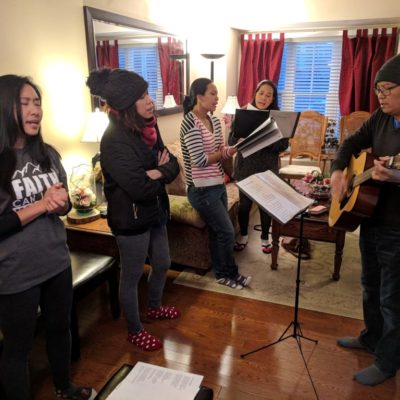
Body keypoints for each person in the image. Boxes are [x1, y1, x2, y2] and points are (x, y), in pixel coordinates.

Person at [0, 75, 95, 399]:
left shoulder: (48, 154)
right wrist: (41, 205)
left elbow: (64, 203)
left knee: (59, 328)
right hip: (16, 273)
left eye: (37, 103)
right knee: (18, 348)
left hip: (56, 261)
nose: (35, 110)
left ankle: (63, 387)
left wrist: (60, 202)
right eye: (25, 103)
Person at [86, 68, 181, 352]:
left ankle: (154, 307)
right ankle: (134, 330)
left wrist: (156, 172)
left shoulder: (148, 127)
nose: (149, 101)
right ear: (127, 103)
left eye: (147, 93)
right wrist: (156, 172)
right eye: (141, 96)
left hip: (156, 210)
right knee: (132, 275)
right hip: (130, 218)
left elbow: (172, 164)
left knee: (162, 263)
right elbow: (139, 188)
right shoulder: (113, 139)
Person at [331, 53, 400, 386]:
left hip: (397, 227)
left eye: (387, 89)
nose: (381, 96)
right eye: (377, 90)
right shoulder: (381, 118)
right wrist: (337, 171)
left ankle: (388, 362)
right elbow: (350, 142)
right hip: (371, 218)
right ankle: (371, 338)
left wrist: (397, 177)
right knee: (369, 285)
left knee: (392, 298)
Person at [180, 77, 251, 289]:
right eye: (212, 93)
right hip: (201, 189)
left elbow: (222, 151)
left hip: (218, 184)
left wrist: (235, 150)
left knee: (217, 231)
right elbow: (200, 160)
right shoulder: (189, 122)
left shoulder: (214, 121)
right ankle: (226, 273)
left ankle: (226, 273)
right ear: (199, 96)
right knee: (227, 231)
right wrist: (225, 153)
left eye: (216, 94)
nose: (217, 98)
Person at [228, 80, 289, 254]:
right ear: (255, 93)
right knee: (244, 206)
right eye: (261, 93)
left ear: (273, 99)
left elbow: (283, 145)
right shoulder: (243, 113)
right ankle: (243, 236)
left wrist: (267, 141)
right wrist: (238, 140)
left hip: (267, 168)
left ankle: (264, 238)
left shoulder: (278, 117)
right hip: (245, 167)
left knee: (265, 206)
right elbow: (231, 140)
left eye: (269, 95)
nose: (264, 98)